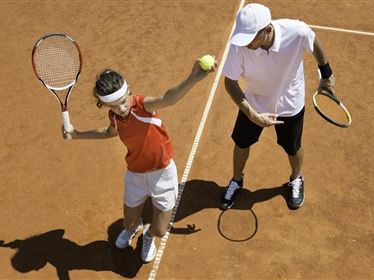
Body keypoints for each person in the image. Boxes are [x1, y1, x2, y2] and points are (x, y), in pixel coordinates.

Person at [63, 58, 216, 263]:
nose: (122, 108)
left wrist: (193, 78)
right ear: (105, 105)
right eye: (114, 106)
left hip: (163, 174)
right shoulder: (114, 117)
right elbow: (109, 132)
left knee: (161, 230)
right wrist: (77, 134)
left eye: (123, 102)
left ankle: (148, 236)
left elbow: (169, 98)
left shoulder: (144, 105)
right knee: (128, 224)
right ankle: (134, 228)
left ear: (129, 91)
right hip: (135, 175)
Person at [219, 3, 335, 210]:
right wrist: (252, 114)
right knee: (241, 143)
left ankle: (296, 179)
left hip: (290, 103)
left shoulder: (296, 32)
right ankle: (237, 180)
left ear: (267, 31)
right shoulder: (240, 45)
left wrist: (326, 73)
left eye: (250, 38)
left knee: (293, 147)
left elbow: (313, 40)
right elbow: (230, 83)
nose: (245, 43)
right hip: (254, 102)